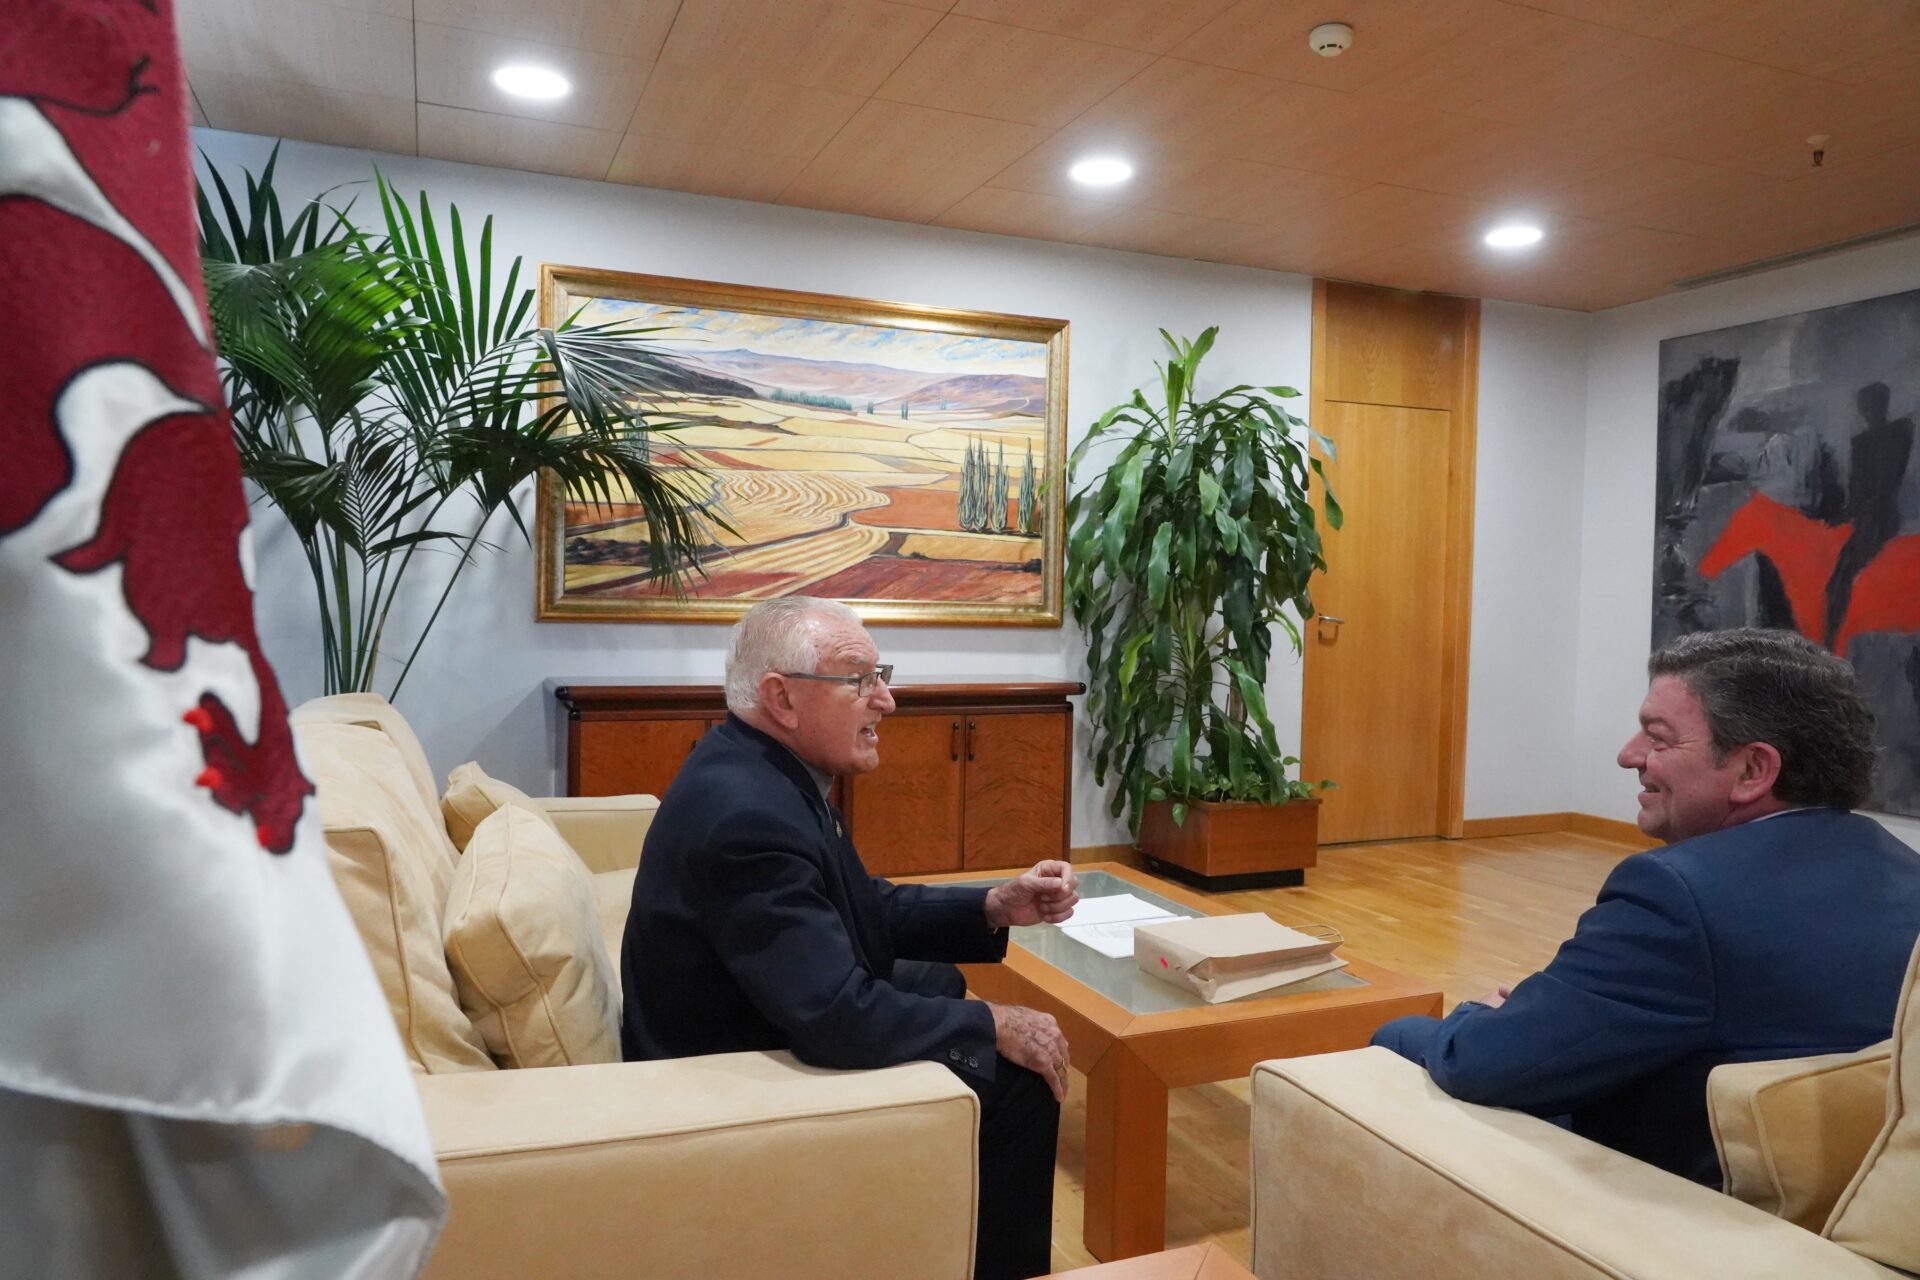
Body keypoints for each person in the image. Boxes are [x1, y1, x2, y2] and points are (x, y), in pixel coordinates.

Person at [621, 596, 1076, 1280]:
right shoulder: (749, 818)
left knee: (937, 981)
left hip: (753, 1009)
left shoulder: (757, 769)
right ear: (782, 698)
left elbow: (858, 904)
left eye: (879, 676)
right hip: (728, 1070)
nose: (886, 701)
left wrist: (993, 904)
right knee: (1016, 1082)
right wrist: (994, 1022)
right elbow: (836, 1015)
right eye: (859, 680)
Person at [1373, 627, 1920, 1185]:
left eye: (1658, 739)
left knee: (1401, 1036)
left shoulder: (1678, 895)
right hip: (1846, 1186)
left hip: (1686, 1188)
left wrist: (1481, 1016)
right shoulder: (1905, 871)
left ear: (1752, 770)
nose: (1628, 755)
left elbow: (1484, 1064)